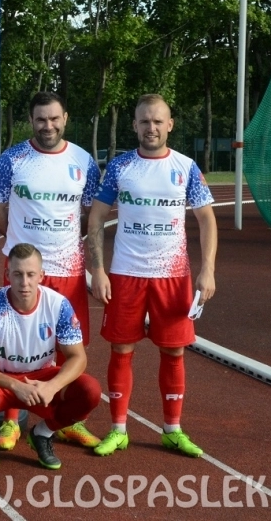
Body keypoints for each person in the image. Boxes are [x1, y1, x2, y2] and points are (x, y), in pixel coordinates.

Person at [87, 93, 217, 458]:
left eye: (158, 121)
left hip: (172, 276)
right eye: (145, 121)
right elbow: (96, 218)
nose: (151, 127)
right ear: (134, 125)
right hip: (126, 273)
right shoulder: (120, 167)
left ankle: (172, 430)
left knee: (173, 350)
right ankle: (118, 430)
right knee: (121, 349)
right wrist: (98, 270)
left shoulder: (185, 167)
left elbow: (206, 219)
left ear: (170, 125)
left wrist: (207, 269)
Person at [0, 91, 101, 451]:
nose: (47, 125)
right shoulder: (12, 159)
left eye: (54, 118)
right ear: (31, 121)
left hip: (68, 268)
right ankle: (11, 421)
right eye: (40, 119)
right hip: (23, 269)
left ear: (65, 118)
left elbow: (92, 214)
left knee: (70, 347)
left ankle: (64, 422)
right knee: (13, 344)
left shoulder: (84, 161)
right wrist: (21, 244)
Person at [0, 243, 102, 470]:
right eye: (17, 274)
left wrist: (53, 386)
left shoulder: (58, 305)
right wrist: (15, 386)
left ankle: (42, 434)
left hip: (40, 379)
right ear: (7, 275)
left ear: (41, 276)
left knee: (90, 390)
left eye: (30, 274)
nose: (24, 282)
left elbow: (78, 358)